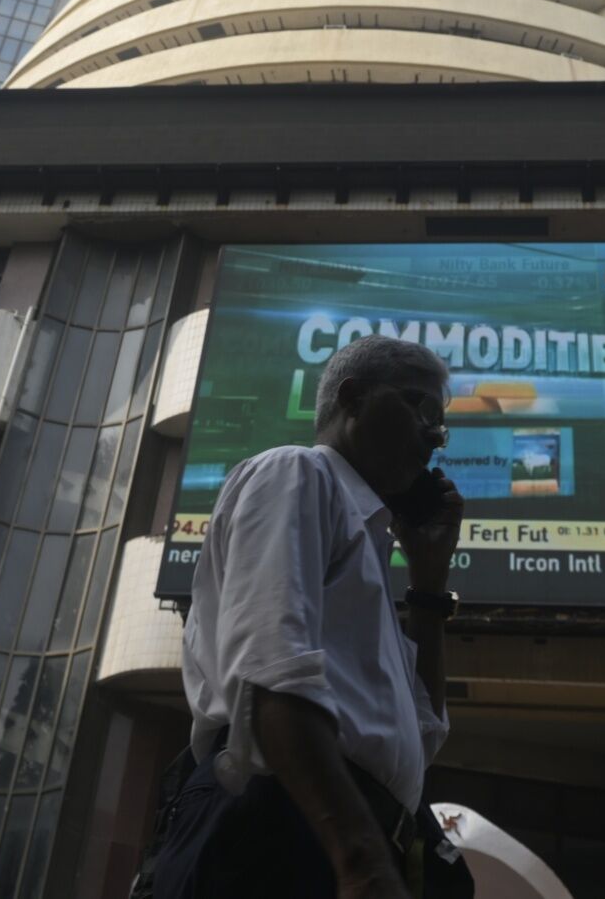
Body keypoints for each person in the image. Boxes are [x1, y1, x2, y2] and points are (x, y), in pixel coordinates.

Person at [148, 335, 470, 899]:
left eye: (441, 427)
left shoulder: (370, 546)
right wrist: (361, 861)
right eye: (420, 408)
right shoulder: (297, 472)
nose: (433, 436)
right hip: (284, 829)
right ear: (353, 397)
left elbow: (422, 738)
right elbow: (273, 673)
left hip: (331, 831)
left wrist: (427, 585)